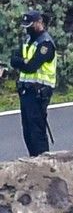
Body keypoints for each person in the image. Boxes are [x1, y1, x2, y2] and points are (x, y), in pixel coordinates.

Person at [8, 10, 56, 157]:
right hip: (26, 92)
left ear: (38, 23)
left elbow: (31, 66)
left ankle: (44, 166)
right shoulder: (29, 41)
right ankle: (33, 162)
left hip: (39, 92)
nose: (27, 29)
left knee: (37, 132)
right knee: (28, 131)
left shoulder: (45, 44)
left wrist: (22, 62)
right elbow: (14, 60)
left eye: (29, 25)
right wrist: (22, 62)